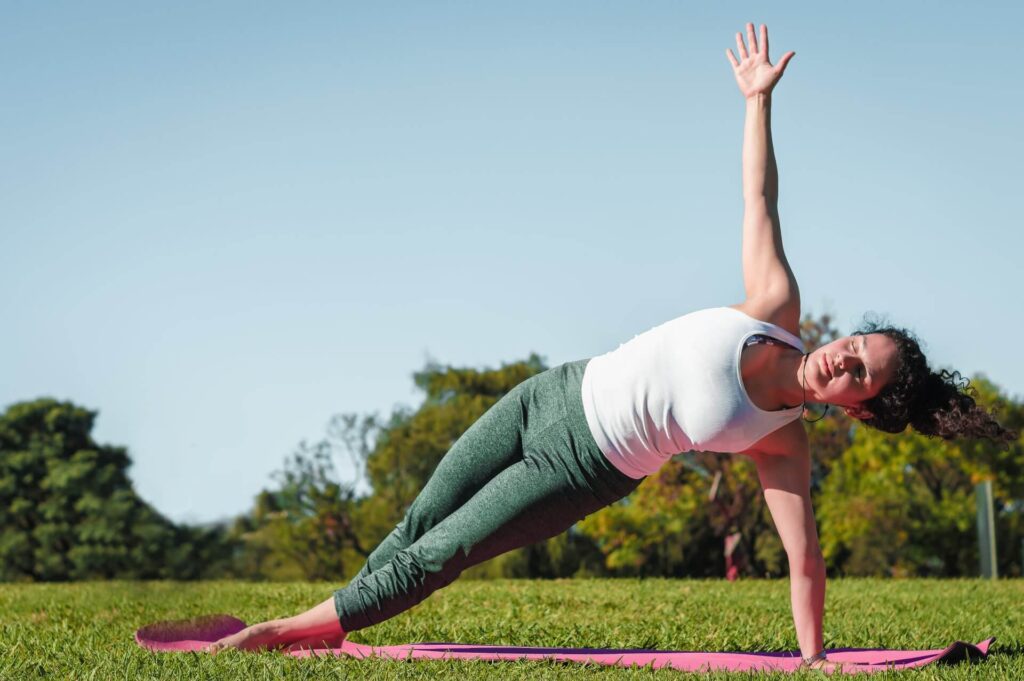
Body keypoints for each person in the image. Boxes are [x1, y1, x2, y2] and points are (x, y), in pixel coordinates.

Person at [206, 23, 1015, 671]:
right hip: (548, 394)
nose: (842, 355)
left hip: (581, 468)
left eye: (858, 372)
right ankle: (336, 621)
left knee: (446, 549)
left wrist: (814, 658)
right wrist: (757, 101)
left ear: (858, 406)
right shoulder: (774, 305)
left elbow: (805, 560)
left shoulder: (783, 444)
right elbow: (759, 194)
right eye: (855, 343)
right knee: (423, 513)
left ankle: (286, 631)